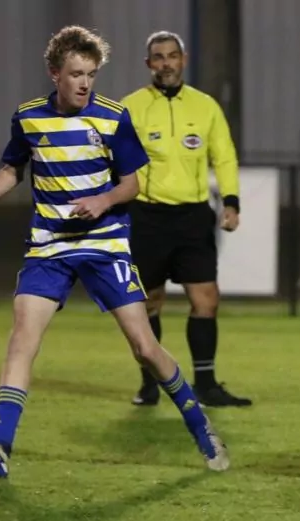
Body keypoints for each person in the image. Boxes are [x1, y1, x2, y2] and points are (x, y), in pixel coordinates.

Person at [0, 25, 229, 478]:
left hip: (104, 245)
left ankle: (199, 424)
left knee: (144, 347)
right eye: (76, 74)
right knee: (22, 338)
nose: (85, 83)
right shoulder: (28, 118)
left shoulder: (112, 117)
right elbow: (11, 171)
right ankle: (0, 446)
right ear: (54, 73)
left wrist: (103, 201)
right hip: (50, 246)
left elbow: (132, 184)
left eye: (91, 74)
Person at [121, 31, 251, 408]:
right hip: (146, 216)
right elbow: (114, 161)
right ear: (148, 64)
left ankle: (206, 385)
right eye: (158, 57)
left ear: (184, 59)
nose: (166, 63)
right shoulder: (129, 108)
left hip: (193, 216)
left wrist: (231, 202)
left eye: (172, 56)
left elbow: (224, 156)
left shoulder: (205, 106)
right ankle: (150, 383)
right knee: (149, 303)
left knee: (206, 299)